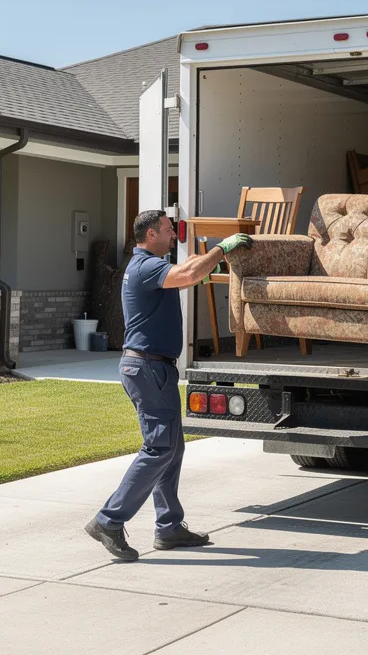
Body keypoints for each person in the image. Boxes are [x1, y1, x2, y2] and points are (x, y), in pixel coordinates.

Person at [85, 210, 252, 562]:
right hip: (147, 368)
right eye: (167, 230)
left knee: (172, 448)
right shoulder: (146, 267)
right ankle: (109, 520)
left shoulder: (146, 264)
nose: (172, 234)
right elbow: (189, 271)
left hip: (150, 367)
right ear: (149, 235)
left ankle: (169, 527)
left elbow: (191, 266)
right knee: (159, 448)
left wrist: (208, 262)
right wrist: (221, 250)